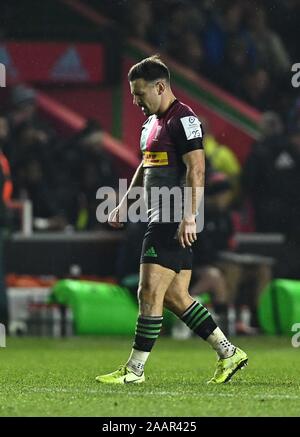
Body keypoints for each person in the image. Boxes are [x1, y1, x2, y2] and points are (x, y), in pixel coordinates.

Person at [96, 55, 247, 385]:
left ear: (161, 86)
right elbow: (145, 166)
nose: (135, 101)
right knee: (177, 297)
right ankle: (228, 351)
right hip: (157, 216)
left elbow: (197, 169)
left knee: (148, 292)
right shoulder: (150, 123)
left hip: (173, 217)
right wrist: (124, 202)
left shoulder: (185, 120)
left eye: (139, 94)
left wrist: (190, 216)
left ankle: (134, 370)